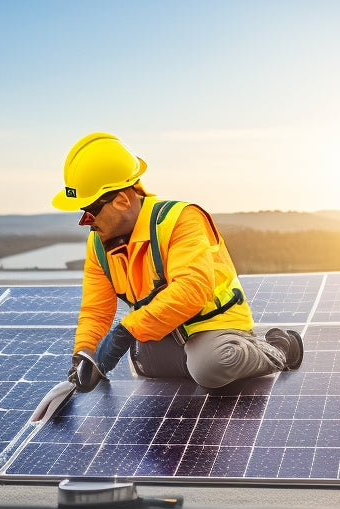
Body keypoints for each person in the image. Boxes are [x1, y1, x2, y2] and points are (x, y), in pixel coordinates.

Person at [51, 132, 303, 390]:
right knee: (144, 363)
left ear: (122, 200)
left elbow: (193, 289)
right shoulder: (99, 244)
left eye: (90, 212)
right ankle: (194, 361)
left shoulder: (180, 220)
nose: (86, 223)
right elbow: (96, 311)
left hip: (215, 325)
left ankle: (279, 348)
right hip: (166, 330)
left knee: (210, 366)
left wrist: (126, 330)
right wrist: (83, 354)